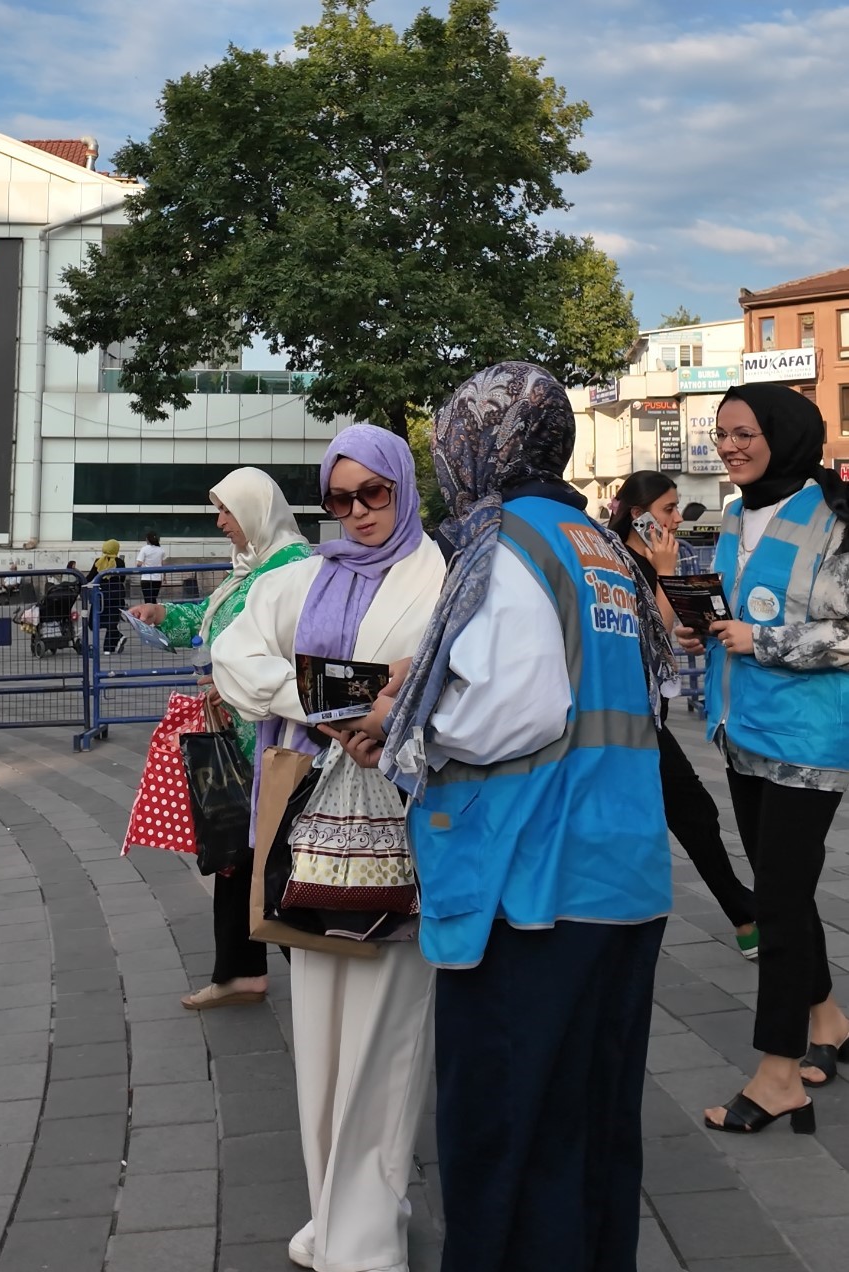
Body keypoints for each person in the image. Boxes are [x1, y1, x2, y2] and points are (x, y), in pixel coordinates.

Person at [349, 363, 673, 1272]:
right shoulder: (594, 540)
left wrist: (401, 722)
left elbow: (510, 709)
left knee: (506, 1123)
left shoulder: (506, 541)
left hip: (527, 881)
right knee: (592, 1118)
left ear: (475, 444)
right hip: (620, 872)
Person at [211, 426, 444, 1272]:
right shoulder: (302, 576)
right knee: (316, 1034)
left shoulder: (443, 573)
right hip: (310, 832)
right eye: (338, 499)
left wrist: (360, 699)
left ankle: (367, 1234)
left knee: (388, 1037)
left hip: (403, 829)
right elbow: (233, 656)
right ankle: (332, 1217)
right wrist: (335, 699)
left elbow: (439, 676)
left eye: (372, 494)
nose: (356, 514)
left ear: (402, 487)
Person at [678, 384, 849, 1134]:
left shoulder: (835, 519)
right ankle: (828, 1020)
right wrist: (704, 631)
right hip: (738, 730)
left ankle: (778, 1075)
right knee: (783, 889)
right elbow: (737, 612)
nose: (728, 446)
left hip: (808, 743)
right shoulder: (735, 516)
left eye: (742, 432)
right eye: (720, 434)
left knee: (777, 902)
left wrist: (764, 642)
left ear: (782, 433)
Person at [128, 468, 311, 1010]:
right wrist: (164, 616)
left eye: (227, 510)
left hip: (277, 742)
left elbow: (298, 651)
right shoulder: (248, 570)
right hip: (239, 737)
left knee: (275, 860)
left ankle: (319, 970)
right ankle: (238, 972)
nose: (220, 522)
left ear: (256, 511)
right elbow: (215, 624)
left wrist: (234, 681)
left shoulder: (296, 571)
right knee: (235, 849)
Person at [609, 471, 759, 957]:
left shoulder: (652, 559)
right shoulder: (618, 561)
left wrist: (697, 628)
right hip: (626, 716)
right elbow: (643, 641)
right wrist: (668, 577)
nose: (676, 518)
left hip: (651, 713)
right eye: (669, 509)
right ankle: (745, 915)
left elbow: (674, 634)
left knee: (684, 813)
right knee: (692, 810)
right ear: (639, 515)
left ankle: (743, 913)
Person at [85, 539, 127, 654]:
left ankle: (111, 645)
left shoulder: (98, 562)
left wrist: (80, 583)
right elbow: (122, 578)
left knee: (94, 622)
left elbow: (89, 577)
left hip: (101, 594)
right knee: (112, 621)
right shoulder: (120, 562)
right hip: (116, 594)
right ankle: (111, 645)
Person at [135, 531, 166, 605]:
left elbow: (139, 563)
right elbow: (163, 564)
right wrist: (164, 576)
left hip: (146, 578)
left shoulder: (144, 549)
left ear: (147, 539)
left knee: (148, 600)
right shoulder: (161, 550)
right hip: (157, 578)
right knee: (153, 598)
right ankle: (154, 614)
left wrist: (138, 567)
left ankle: (149, 615)